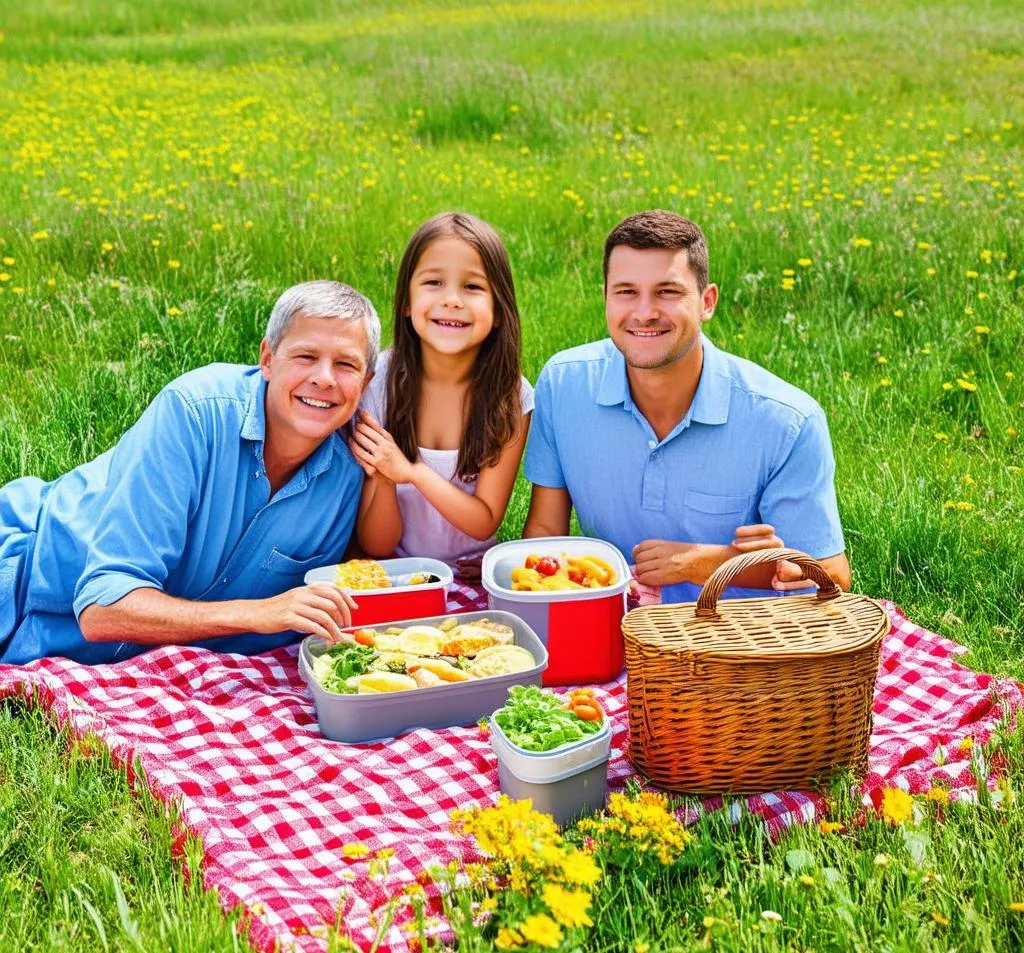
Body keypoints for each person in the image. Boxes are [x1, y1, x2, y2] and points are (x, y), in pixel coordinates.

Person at [0, 280, 379, 666]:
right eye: (306, 356)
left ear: (365, 382)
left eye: (346, 364)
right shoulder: (195, 412)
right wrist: (256, 613)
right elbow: (104, 606)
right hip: (22, 585)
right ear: (267, 359)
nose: (325, 378)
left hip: (132, 661)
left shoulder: (347, 477)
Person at [523, 209, 850, 603]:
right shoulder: (563, 384)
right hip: (613, 627)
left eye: (668, 291)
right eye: (626, 291)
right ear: (605, 298)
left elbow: (831, 574)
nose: (644, 312)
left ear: (706, 302)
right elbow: (544, 532)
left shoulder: (788, 421)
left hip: (737, 644)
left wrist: (701, 562)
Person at [350, 212, 533, 567]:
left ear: (498, 311)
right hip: (394, 574)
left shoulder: (510, 396)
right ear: (406, 302)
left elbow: (483, 521)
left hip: (470, 573)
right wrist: (386, 477)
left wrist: (411, 471)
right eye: (434, 282)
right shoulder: (376, 385)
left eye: (473, 287)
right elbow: (377, 544)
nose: (452, 300)